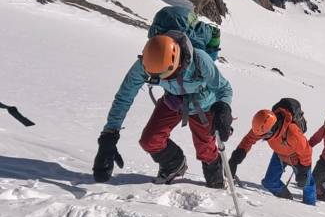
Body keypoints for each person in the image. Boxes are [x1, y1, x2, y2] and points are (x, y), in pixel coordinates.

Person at [92, 33, 232, 188]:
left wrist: (223, 108)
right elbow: (124, 97)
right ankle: (174, 164)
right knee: (150, 140)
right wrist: (109, 135)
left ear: (178, 61)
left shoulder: (200, 60)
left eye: (165, 74)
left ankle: (216, 180)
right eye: (156, 77)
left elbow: (223, 88)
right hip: (173, 101)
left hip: (204, 105)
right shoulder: (145, 65)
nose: (163, 79)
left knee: (205, 148)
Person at [228, 101, 315, 204]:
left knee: (307, 184)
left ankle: (310, 206)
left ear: (272, 128)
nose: (262, 137)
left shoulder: (292, 132)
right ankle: (287, 202)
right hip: (279, 154)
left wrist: (304, 170)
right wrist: (236, 157)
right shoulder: (262, 126)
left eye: (265, 135)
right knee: (269, 182)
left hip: (296, 158)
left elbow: (306, 151)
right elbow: (249, 139)